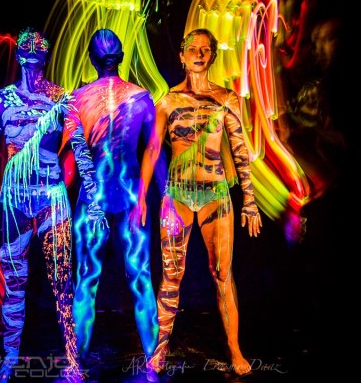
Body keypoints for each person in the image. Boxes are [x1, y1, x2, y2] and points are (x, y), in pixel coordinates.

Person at [0, 27, 101, 383]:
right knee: (14, 282)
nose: (33, 51)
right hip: (15, 199)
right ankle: (9, 360)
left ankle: (73, 360)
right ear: (19, 54)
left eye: (40, 47)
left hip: (51, 196)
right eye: (27, 47)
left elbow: (80, 149)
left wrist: (94, 202)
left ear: (47, 55)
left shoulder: (61, 98)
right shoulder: (1, 100)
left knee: (62, 281)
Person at [144, 28, 262, 376]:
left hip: (215, 194)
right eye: (192, 49)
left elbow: (240, 149)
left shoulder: (226, 99)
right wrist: (140, 197)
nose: (198, 54)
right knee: (171, 275)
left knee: (223, 273)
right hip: (178, 195)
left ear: (212, 56)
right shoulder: (167, 101)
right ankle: (160, 348)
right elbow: (152, 149)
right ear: (182, 55)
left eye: (205, 49)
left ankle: (235, 349)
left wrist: (250, 200)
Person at [61, 28, 160, 374]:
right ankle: (153, 360)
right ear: (120, 58)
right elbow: (153, 149)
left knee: (86, 280)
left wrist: (60, 193)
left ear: (91, 59)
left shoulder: (77, 99)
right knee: (140, 278)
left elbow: (76, 158)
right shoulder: (141, 98)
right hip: (130, 194)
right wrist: (149, 193)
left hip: (95, 195)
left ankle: (77, 363)